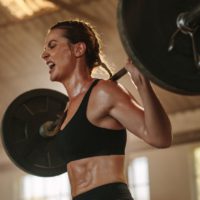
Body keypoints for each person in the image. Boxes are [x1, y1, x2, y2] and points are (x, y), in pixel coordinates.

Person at [41, 19, 172, 200]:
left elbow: (160, 138)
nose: (44, 55)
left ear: (78, 49)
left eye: (52, 46)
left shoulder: (103, 92)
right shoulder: (66, 108)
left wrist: (142, 84)